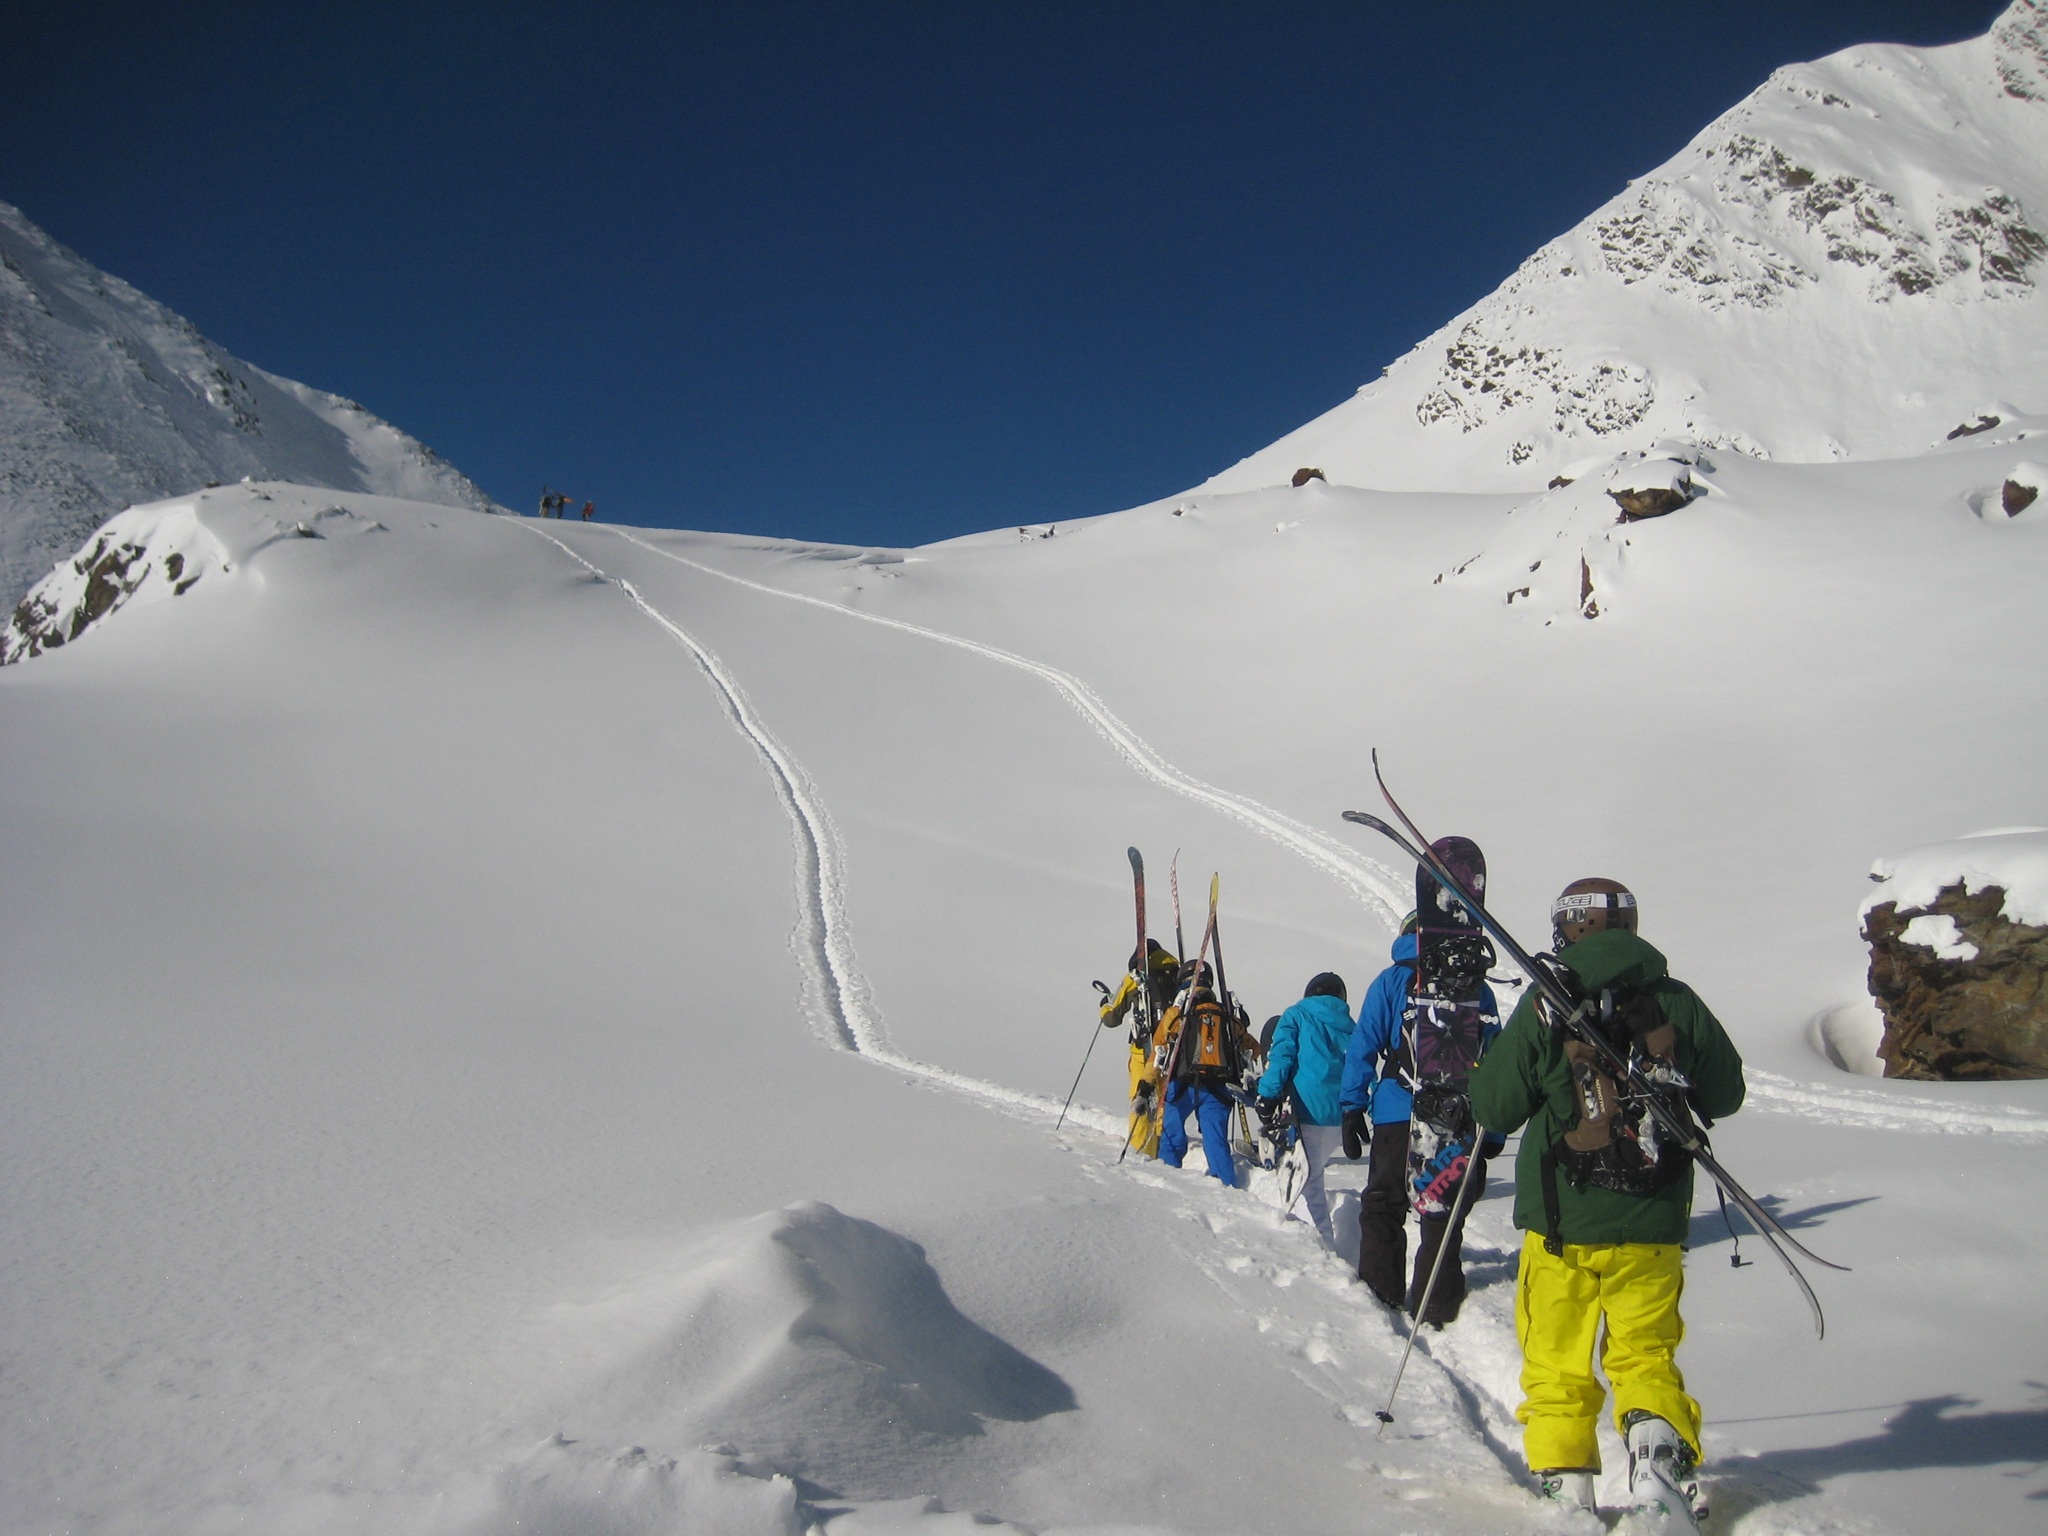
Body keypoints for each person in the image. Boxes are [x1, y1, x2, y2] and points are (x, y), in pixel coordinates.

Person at [1468, 878, 1745, 1528]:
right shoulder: (1674, 999)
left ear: (1569, 930)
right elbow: (1725, 1094)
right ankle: (1657, 1468)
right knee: (1645, 1353)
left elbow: (1496, 1106)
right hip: (1653, 1221)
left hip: (1561, 1225)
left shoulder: (1547, 1003)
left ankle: (1568, 1484)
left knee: (1557, 1360)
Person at [1339, 911, 1504, 1322]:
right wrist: (1494, 1127)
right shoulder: (1476, 986)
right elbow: (1496, 1057)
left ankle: (1380, 1295)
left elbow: (1364, 1045)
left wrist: (1352, 1106)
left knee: (1383, 1203)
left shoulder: (1393, 979)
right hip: (1455, 1116)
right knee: (1442, 1208)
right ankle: (1438, 1302)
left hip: (1398, 1109)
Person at [1254, 972, 1355, 1246]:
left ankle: (1317, 1247)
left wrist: (1267, 1095)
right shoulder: (1350, 1026)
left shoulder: (1296, 1014)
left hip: (1305, 1112)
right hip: (1338, 1119)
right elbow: (1360, 1068)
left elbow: (1281, 1056)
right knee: (1312, 1177)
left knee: (1304, 1183)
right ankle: (1319, 1242)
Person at [1153, 962, 1258, 1186]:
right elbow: (1252, 1048)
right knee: (1216, 1141)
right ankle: (1226, 1186)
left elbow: (1158, 1047)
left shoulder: (1177, 1013)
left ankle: (1167, 1182)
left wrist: (1146, 1085)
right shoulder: (1226, 1014)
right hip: (1219, 1088)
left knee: (1171, 1136)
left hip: (1182, 1086)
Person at [1101, 939, 1179, 1157]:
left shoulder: (1136, 976)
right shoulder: (1177, 973)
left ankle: (1142, 1150)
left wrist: (1103, 1006)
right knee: (1164, 1101)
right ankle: (1166, 1154)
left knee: (1140, 1100)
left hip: (1142, 1050)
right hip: (1171, 1050)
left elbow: (1111, 1017)